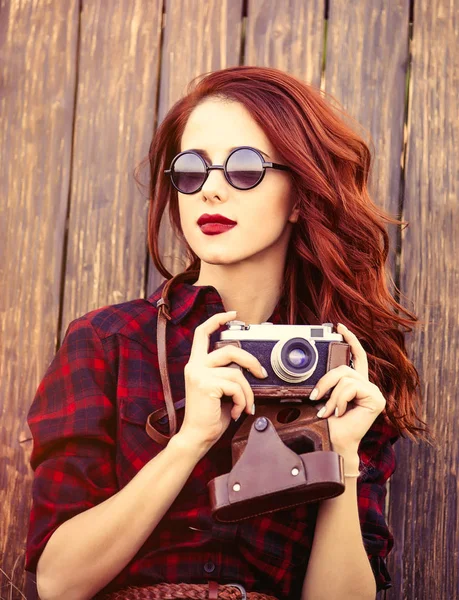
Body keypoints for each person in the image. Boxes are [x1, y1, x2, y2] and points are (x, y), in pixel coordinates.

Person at [25, 66, 427, 600]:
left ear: (302, 195)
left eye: (245, 168)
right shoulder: (110, 342)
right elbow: (58, 582)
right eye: (191, 170)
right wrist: (190, 440)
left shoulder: (345, 369)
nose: (210, 190)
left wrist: (342, 464)